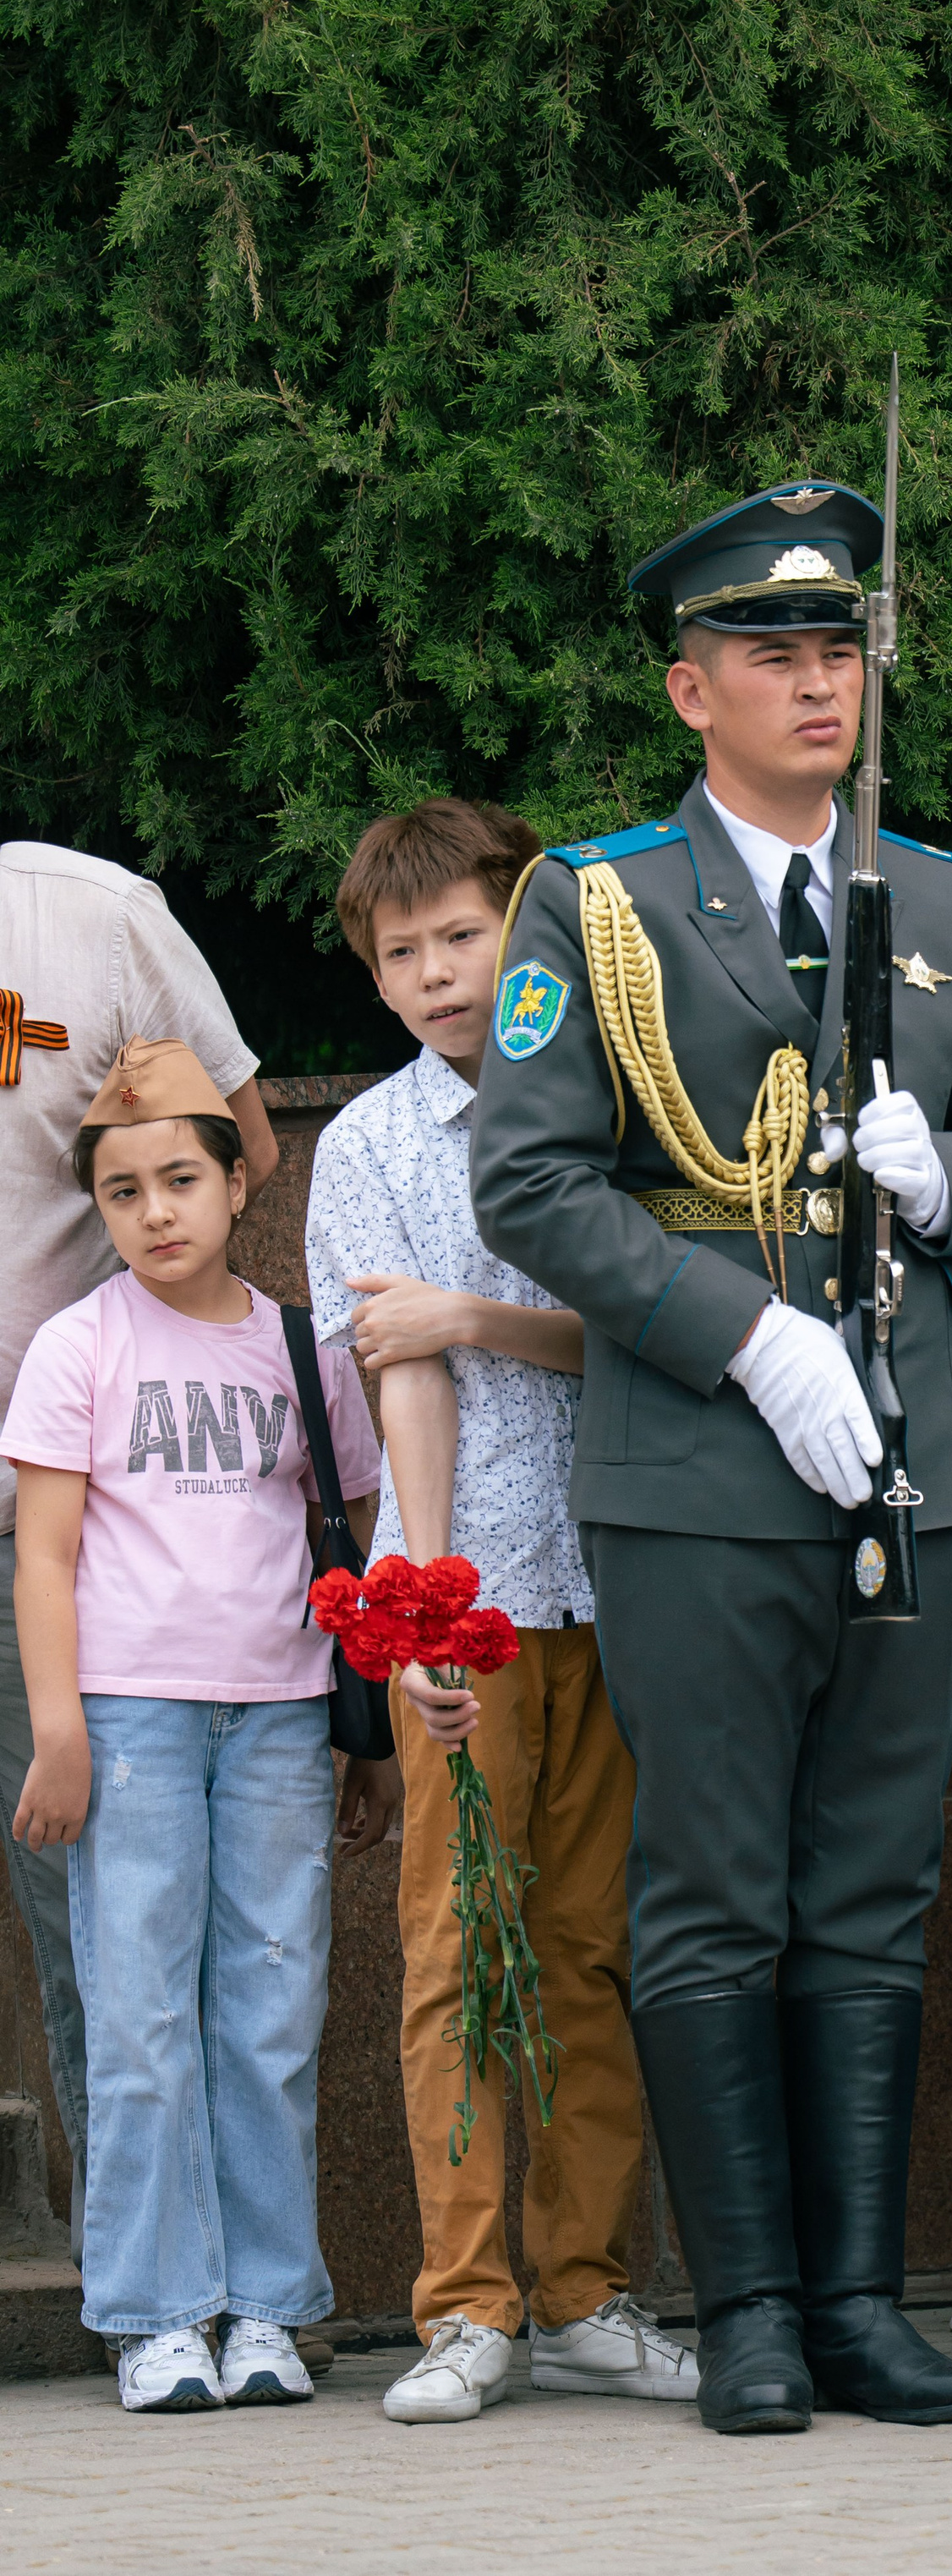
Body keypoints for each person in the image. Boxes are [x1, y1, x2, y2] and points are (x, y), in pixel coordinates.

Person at [467, 477, 952, 2435]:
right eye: (775, 654)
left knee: (873, 1885)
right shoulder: (601, 900)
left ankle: (857, 2308)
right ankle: (748, 2316)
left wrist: (940, 1176)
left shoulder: (945, 901)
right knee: (715, 1888)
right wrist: (743, 1333)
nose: (820, 683)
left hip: (914, 1459)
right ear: (689, 688)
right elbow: (531, 1180)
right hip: (706, 1465)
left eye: (838, 649)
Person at [305, 797, 693, 2424]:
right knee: (455, 1947)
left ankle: (590, 2289)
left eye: (463, 935)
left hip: (631, 1575)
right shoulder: (366, 1147)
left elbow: (672, 1329)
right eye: (401, 953)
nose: (437, 974)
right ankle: (467, 2308)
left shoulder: (623, 1099)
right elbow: (398, 1379)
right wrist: (421, 1618)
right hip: (474, 1593)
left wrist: (470, 1312)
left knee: (596, 1948)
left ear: (522, 930)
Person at [3, 1042, 379, 2412]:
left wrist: (360, 1736)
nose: (155, 1212)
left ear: (236, 1184)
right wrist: (59, 1727)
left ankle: (269, 2306)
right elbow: (44, 1555)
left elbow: (346, 1534)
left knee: (273, 2009)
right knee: (142, 2012)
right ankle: (158, 2314)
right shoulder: (79, 1345)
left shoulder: (300, 1350)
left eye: (179, 1180)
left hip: (277, 1718)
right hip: (132, 1720)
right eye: (122, 1192)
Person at [0, 840, 284, 2259]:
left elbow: (240, 1141)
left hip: (61, 1527)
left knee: (106, 1941)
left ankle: (167, 2291)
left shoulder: (93, 918)